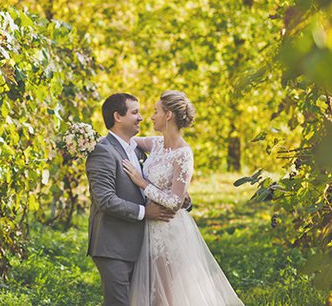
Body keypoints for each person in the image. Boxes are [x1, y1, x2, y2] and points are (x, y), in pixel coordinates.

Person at [122, 90, 244, 306]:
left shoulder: (183, 153)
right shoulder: (156, 144)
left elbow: (175, 202)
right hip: (149, 228)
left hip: (168, 229)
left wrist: (142, 182)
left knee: (164, 294)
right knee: (151, 291)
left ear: (168, 115)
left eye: (155, 111)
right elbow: (126, 141)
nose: (151, 117)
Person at [85, 93, 180, 306]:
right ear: (118, 116)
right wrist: (145, 212)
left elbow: (149, 184)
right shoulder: (103, 151)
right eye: (135, 112)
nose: (141, 118)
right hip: (114, 245)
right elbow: (105, 199)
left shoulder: (136, 149)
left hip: (140, 244)